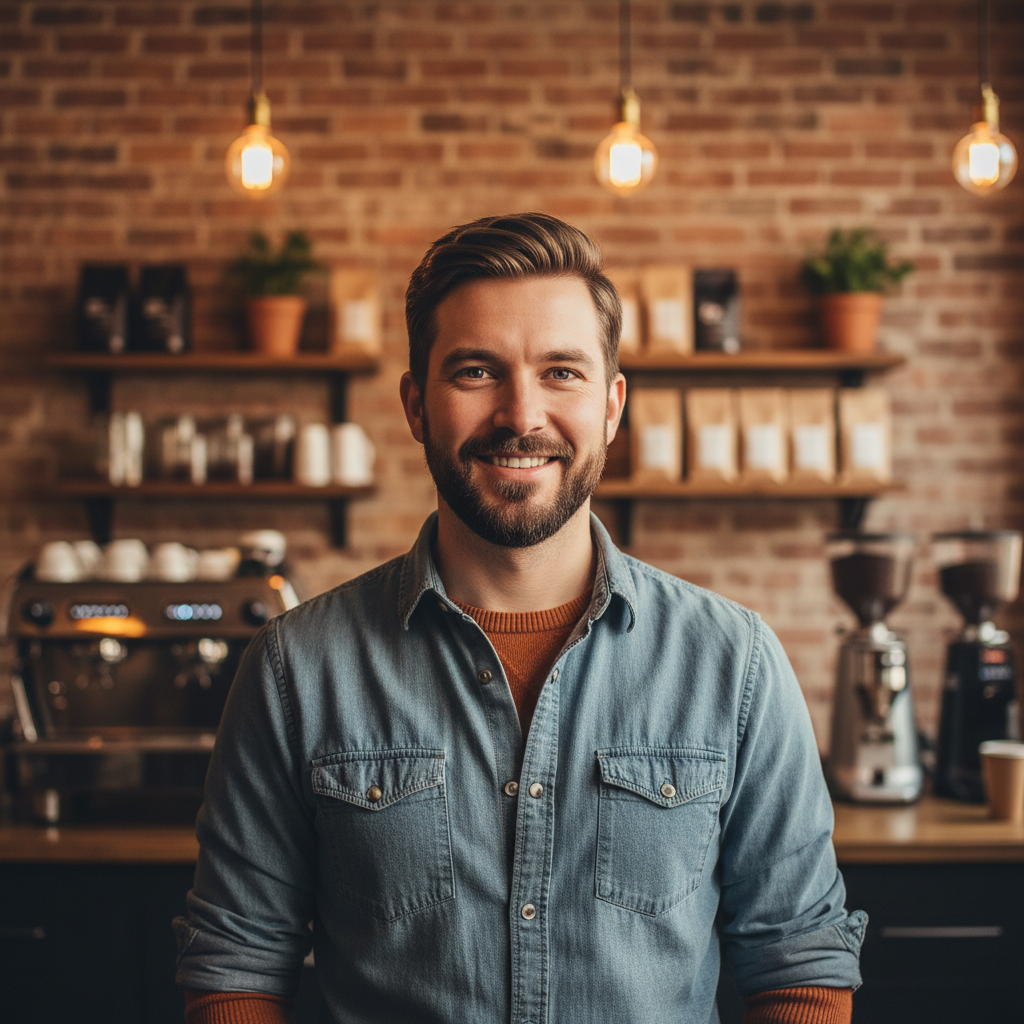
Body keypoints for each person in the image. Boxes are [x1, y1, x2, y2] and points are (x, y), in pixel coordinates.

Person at [175, 212, 865, 1024]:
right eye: (476, 371)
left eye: (561, 373)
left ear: (611, 406)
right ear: (416, 407)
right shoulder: (298, 669)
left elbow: (800, 965)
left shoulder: (736, 663)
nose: (521, 414)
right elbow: (236, 967)